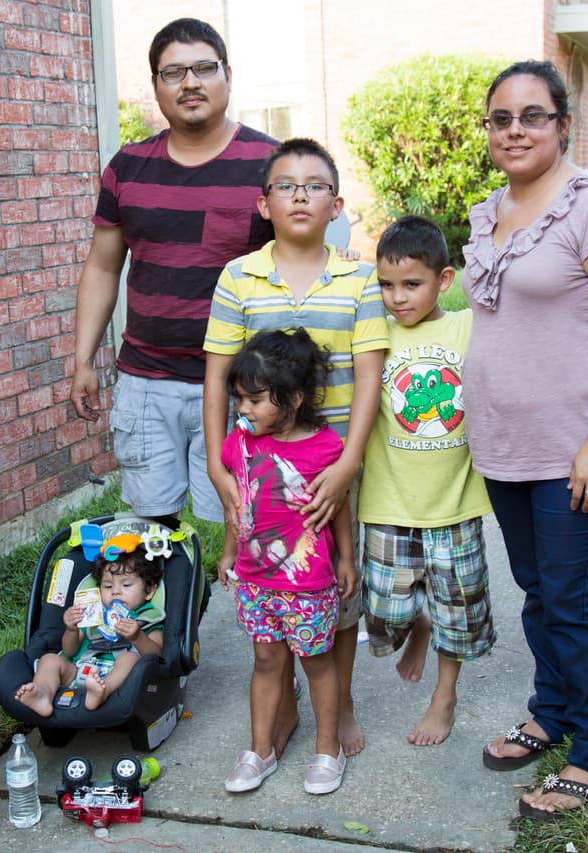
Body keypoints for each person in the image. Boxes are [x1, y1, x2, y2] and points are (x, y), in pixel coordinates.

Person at [463, 60, 588, 820]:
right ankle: (553, 709)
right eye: (501, 118)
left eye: (532, 115)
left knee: (571, 598)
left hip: (576, 444)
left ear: (562, 124)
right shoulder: (484, 212)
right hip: (506, 443)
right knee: (539, 589)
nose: (515, 130)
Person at [203, 138, 389, 758]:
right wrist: (214, 460)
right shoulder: (239, 277)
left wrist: (348, 464)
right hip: (258, 466)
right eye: (286, 184)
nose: (301, 194)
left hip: (330, 463)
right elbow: (216, 373)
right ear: (263, 204)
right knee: (270, 584)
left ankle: (341, 707)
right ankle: (280, 707)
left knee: (332, 587)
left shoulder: (359, 278)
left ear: (336, 204)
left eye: (315, 185)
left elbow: (368, 373)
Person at [70, 18, 278, 529]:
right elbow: (102, 266)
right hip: (146, 382)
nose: (191, 82)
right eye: (173, 73)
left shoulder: (271, 164)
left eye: (205, 68)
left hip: (241, 383)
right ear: (156, 86)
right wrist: (82, 360)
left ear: (228, 75)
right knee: (151, 531)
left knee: (242, 528)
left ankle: (240, 611)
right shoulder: (128, 167)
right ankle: (163, 611)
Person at [360, 214, 496, 746]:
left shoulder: (466, 326)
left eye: (412, 284)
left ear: (444, 280)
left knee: (461, 614)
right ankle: (417, 621)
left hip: (455, 503)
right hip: (389, 501)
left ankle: (444, 698)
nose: (397, 298)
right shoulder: (374, 334)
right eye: (387, 285)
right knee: (383, 612)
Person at [217, 329, 356, 795]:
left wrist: (347, 559)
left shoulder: (325, 449)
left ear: (293, 398)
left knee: (318, 663)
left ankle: (327, 748)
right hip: (256, 582)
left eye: (254, 400)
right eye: (239, 399)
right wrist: (228, 551)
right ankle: (260, 750)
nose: (243, 409)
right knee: (264, 660)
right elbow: (235, 503)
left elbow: (339, 509)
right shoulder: (238, 445)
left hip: (308, 584)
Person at [14, 542, 164, 714]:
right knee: (49, 660)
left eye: (126, 585)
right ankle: (43, 693)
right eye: (107, 586)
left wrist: (138, 637)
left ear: (149, 590)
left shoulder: (148, 617)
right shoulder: (93, 613)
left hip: (120, 679)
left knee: (130, 659)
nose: (116, 591)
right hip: (80, 669)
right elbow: (69, 652)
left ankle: (102, 692)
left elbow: (157, 655)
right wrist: (71, 629)